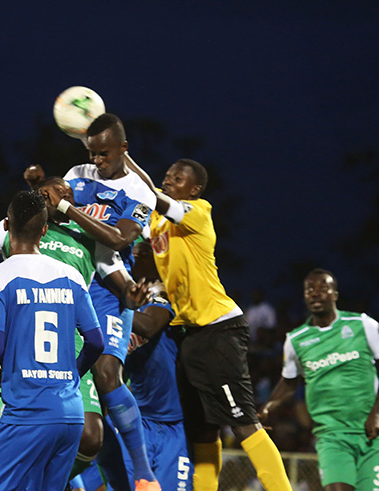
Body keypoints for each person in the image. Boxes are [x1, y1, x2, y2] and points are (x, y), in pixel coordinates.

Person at [0, 176, 146, 484]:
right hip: (21, 348)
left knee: (91, 437)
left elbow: (123, 284)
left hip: (69, 345)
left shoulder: (88, 236)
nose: (63, 194)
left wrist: (134, 295)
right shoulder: (15, 227)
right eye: (55, 190)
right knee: (20, 440)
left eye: (68, 192)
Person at [127, 156, 291, 490]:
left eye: (178, 177)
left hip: (218, 327)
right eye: (168, 174)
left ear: (195, 188)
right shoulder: (156, 221)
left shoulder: (199, 213)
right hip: (189, 333)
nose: (169, 179)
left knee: (243, 423)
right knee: (202, 430)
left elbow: (151, 193)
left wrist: (123, 157)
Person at [47, 113, 160, 490]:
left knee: (107, 374)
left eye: (105, 154)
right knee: (70, 389)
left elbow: (119, 239)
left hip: (112, 289)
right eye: (93, 154)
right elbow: (52, 212)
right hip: (73, 281)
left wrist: (66, 208)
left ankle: (144, 474)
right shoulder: (77, 172)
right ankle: (77, 482)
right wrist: (42, 191)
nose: (97, 161)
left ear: (123, 149)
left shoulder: (140, 193)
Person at [0, 190, 104, 490]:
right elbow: (96, 342)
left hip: (26, 412)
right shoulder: (71, 275)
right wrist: (72, 374)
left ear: (6, 226)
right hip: (70, 416)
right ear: (44, 231)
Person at [259, 269, 379, 491]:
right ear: (304, 296)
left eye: (323, 288)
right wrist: (268, 406)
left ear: (335, 294)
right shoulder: (296, 340)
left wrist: (376, 413)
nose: (315, 293)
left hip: (371, 431)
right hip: (331, 435)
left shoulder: (362, 324)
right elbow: (288, 382)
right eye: (309, 290)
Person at [111, 240, 193, 490]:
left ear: (149, 258)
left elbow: (149, 326)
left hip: (173, 423)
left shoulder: (163, 292)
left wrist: (104, 308)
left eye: (133, 256)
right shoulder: (120, 301)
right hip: (135, 420)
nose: (127, 263)